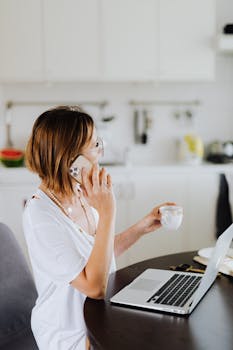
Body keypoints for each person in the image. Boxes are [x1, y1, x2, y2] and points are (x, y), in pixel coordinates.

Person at [23, 105, 174, 350]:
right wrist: (108, 212)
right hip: (69, 335)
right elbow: (94, 286)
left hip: (97, 319)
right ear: (71, 159)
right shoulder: (40, 216)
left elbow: (95, 257)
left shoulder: (80, 192)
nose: (100, 152)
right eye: (95, 146)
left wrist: (141, 227)